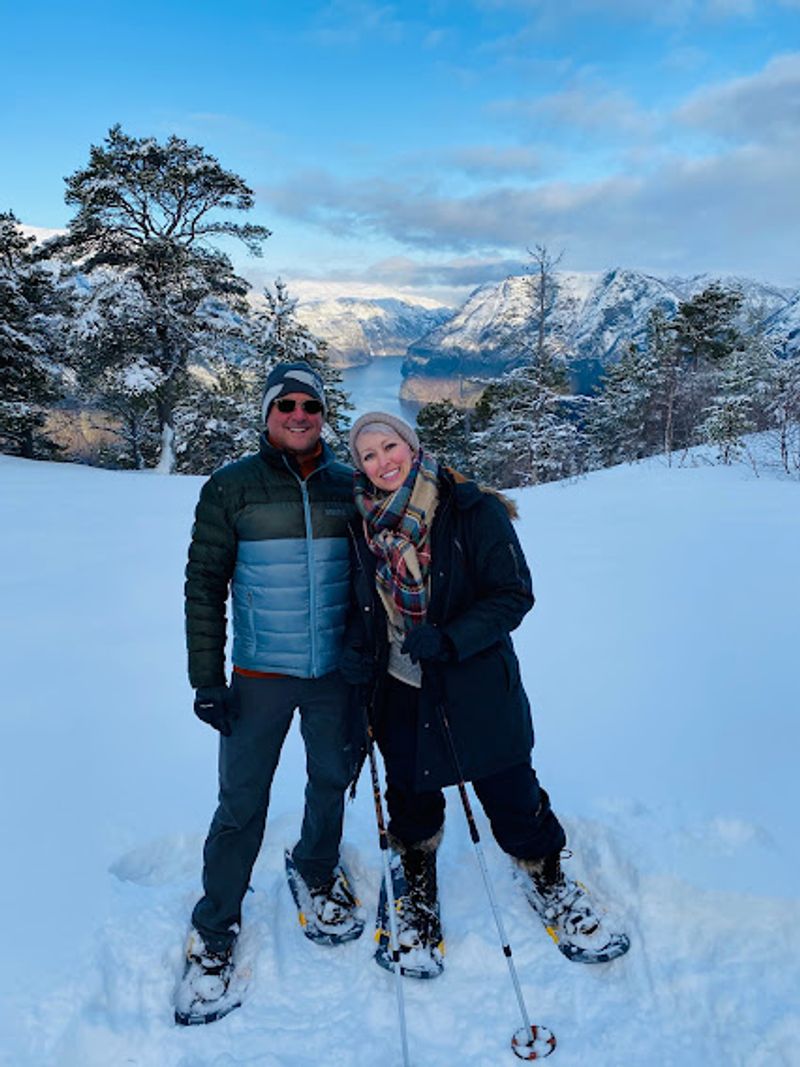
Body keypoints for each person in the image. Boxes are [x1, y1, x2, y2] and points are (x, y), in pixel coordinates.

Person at [341, 411, 629, 976]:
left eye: (389, 446)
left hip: (473, 679)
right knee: (411, 794)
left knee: (509, 788)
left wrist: (450, 639)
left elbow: (512, 595)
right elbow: (365, 603)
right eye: (368, 455)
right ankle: (416, 887)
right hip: (398, 684)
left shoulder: (474, 510)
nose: (382, 462)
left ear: (412, 445)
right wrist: (359, 647)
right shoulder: (362, 521)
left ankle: (546, 873)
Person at [176, 362, 362, 1026]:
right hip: (258, 677)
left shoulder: (350, 484)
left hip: (336, 674)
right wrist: (206, 679)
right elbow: (204, 587)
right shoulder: (231, 488)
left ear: (322, 413)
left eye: (309, 403)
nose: (298, 413)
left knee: (333, 774)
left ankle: (316, 864)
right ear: (266, 413)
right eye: (285, 403)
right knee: (241, 803)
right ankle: (215, 927)